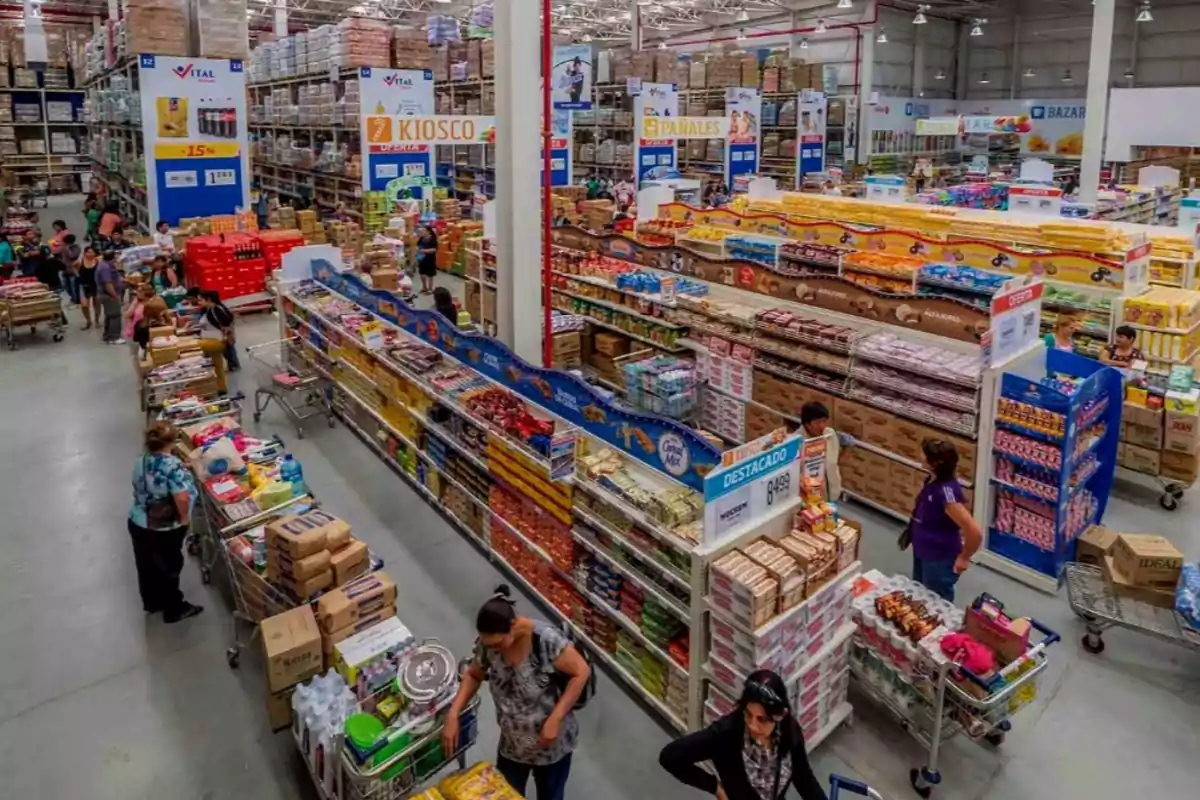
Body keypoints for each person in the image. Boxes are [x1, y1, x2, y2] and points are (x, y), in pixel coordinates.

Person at [441, 586, 590, 800]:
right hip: (512, 746)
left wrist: (556, 718)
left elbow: (581, 672)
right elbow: (474, 674)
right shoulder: (489, 645)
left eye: (498, 643)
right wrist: (453, 713)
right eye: (489, 645)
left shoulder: (545, 640)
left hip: (550, 748)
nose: (494, 650)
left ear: (513, 626)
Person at [659, 670, 828, 800]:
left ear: (780, 715)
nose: (752, 725)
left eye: (762, 719)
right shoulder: (726, 734)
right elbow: (670, 756)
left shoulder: (789, 731)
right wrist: (715, 787)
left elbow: (804, 778)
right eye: (748, 714)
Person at [128, 421, 203, 623]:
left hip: (138, 521)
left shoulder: (140, 460)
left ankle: (153, 603)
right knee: (169, 566)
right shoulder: (172, 466)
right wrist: (185, 518)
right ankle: (174, 609)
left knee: (147, 565)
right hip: (163, 526)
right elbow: (182, 497)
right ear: (171, 441)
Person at [907, 439, 982, 602]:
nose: (920, 456)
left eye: (924, 454)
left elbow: (974, 531)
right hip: (923, 550)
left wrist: (964, 557)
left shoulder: (947, 494)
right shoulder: (931, 480)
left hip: (938, 558)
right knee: (920, 595)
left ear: (935, 463)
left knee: (936, 603)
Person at [799, 402, 853, 501]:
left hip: (833, 493)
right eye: (817, 422)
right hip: (811, 499)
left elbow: (834, 461)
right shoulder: (797, 442)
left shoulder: (829, 434)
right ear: (807, 424)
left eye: (824, 421)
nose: (822, 426)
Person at [95, 248, 126, 344]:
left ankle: (107, 336)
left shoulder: (105, 264)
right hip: (109, 295)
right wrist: (115, 296)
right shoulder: (105, 268)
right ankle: (114, 338)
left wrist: (126, 281)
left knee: (109, 315)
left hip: (107, 294)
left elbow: (115, 277)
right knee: (115, 315)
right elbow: (108, 284)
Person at [77, 244, 101, 331]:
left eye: (92, 252)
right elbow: (72, 266)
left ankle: (97, 320)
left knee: (97, 303)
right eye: (88, 252)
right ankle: (88, 321)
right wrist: (77, 275)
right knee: (84, 305)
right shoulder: (80, 261)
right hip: (84, 286)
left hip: (96, 285)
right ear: (85, 253)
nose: (90, 254)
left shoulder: (98, 261)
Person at [416, 224, 439, 295]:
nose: (422, 232)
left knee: (430, 274)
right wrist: (417, 250)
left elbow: (434, 249)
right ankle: (424, 287)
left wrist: (424, 251)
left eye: (423, 230)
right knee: (422, 273)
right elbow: (417, 246)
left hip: (430, 259)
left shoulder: (433, 239)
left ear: (428, 231)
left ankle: (430, 289)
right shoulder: (421, 238)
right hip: (422, 258)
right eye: (421, 230)